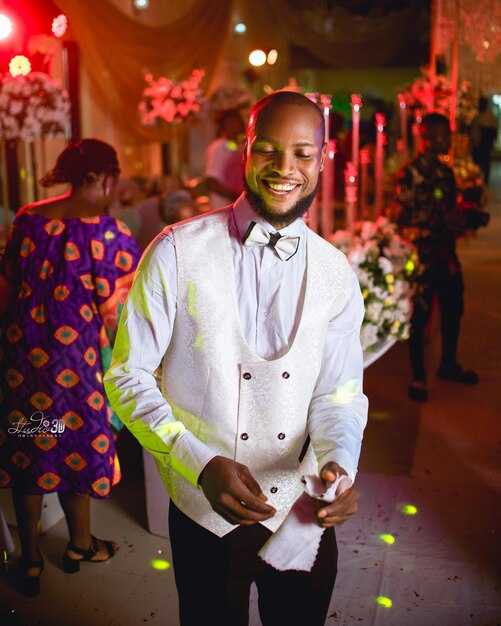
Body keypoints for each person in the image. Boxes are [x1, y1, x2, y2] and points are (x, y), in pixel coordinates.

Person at [104, 91, 368, 626]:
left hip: (301, 509)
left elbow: (339, 392)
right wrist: (196, 462)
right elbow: (127, 376)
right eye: (268, 149)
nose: (284, 168)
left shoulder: (337, 272)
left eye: (301, 153)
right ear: (245, 151)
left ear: (323, 158)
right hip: (205, 515)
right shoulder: (176, 250)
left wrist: (338, 459)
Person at [0, 139, 141, 596]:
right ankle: (80, 544)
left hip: (23, 365)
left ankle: (30, 560)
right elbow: (119, 312)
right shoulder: (109, 234)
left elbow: (6, 288)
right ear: (103, 178)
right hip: (76, 368)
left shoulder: (28, 219)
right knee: (75, 444)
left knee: (31, 447)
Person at [391, 113, 479, 403]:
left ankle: (448, 365)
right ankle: (418, 376)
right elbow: (400, 217)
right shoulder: (411, 173)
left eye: (448, 136)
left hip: (445, 252)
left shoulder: (445, 172)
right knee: (421, 314)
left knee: (455, 305)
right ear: (426, 138)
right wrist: (441, 217)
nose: (447, 141)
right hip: (422, 254)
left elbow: (450, 209)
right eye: (442, 136)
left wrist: (466, 219)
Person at [205, 107, 246, 210]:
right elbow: (211, 181)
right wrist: (236, 197)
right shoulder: (219, 147)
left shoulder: (238, 146)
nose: (240, 122)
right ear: (227, 123)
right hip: (223, 207)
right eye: (236, 119)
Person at [470, 96, 498, 185]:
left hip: (484, 144)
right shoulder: (478, 117)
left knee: (484, 162)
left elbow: (493, 132)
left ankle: (483, 181)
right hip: (479, 144)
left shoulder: (489, 118)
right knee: (479, 163)